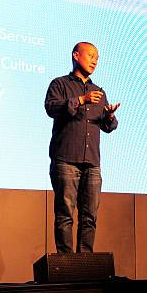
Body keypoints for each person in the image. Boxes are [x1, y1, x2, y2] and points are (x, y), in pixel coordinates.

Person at [44, 42, 120, 253]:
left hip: (92, 163)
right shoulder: (59, 84)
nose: (95, 60)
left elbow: (108, 126)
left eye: (98, 57)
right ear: (76, 56)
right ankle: (67, 265)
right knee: (65, 214)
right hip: (66, 159)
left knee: (90, 217)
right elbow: (51, 108)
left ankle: (85, 262)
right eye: (91, 55)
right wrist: (80, 100)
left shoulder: (99, 92)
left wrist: (110, 116)